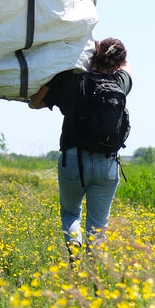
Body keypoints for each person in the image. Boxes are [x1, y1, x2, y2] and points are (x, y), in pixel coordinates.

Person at [28, 38, 131, 258]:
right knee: (99, 223)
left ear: (94, 54)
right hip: (108, 163)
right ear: (118, 61)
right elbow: (127, 66)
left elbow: (34, 103)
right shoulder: (119, 83)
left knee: (70, 212)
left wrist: (54, 80)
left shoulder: (71, 82)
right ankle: (94, 274)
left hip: (73, 161)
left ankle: (74, 249)